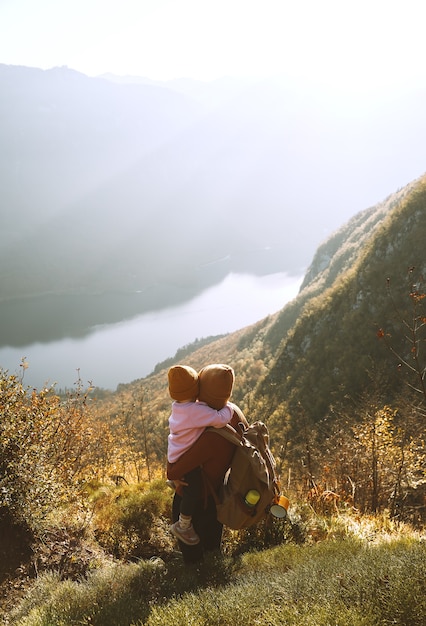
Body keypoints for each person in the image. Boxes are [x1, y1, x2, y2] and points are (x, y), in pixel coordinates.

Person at [167, 363, 249, 564]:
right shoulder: (234, 413)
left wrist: (174, 473)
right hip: (216, 498)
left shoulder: (211, 437)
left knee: (194, 563)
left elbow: (173, 471)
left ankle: (194, 586)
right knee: (212, 555)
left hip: (196, 502)